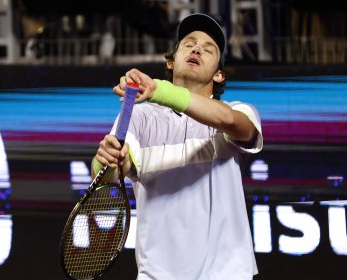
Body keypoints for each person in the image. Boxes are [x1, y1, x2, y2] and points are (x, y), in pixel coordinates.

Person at [92, 13, 263, 280]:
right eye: (189, 44)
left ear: (219, 75)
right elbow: (113, 171)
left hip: (226, 273)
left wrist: (160, 90)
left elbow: (231, 122)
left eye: (209, 49)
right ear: (171, 62)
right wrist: (106, 161)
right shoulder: (140, 116)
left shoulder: (235, 111)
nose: (197, 48)